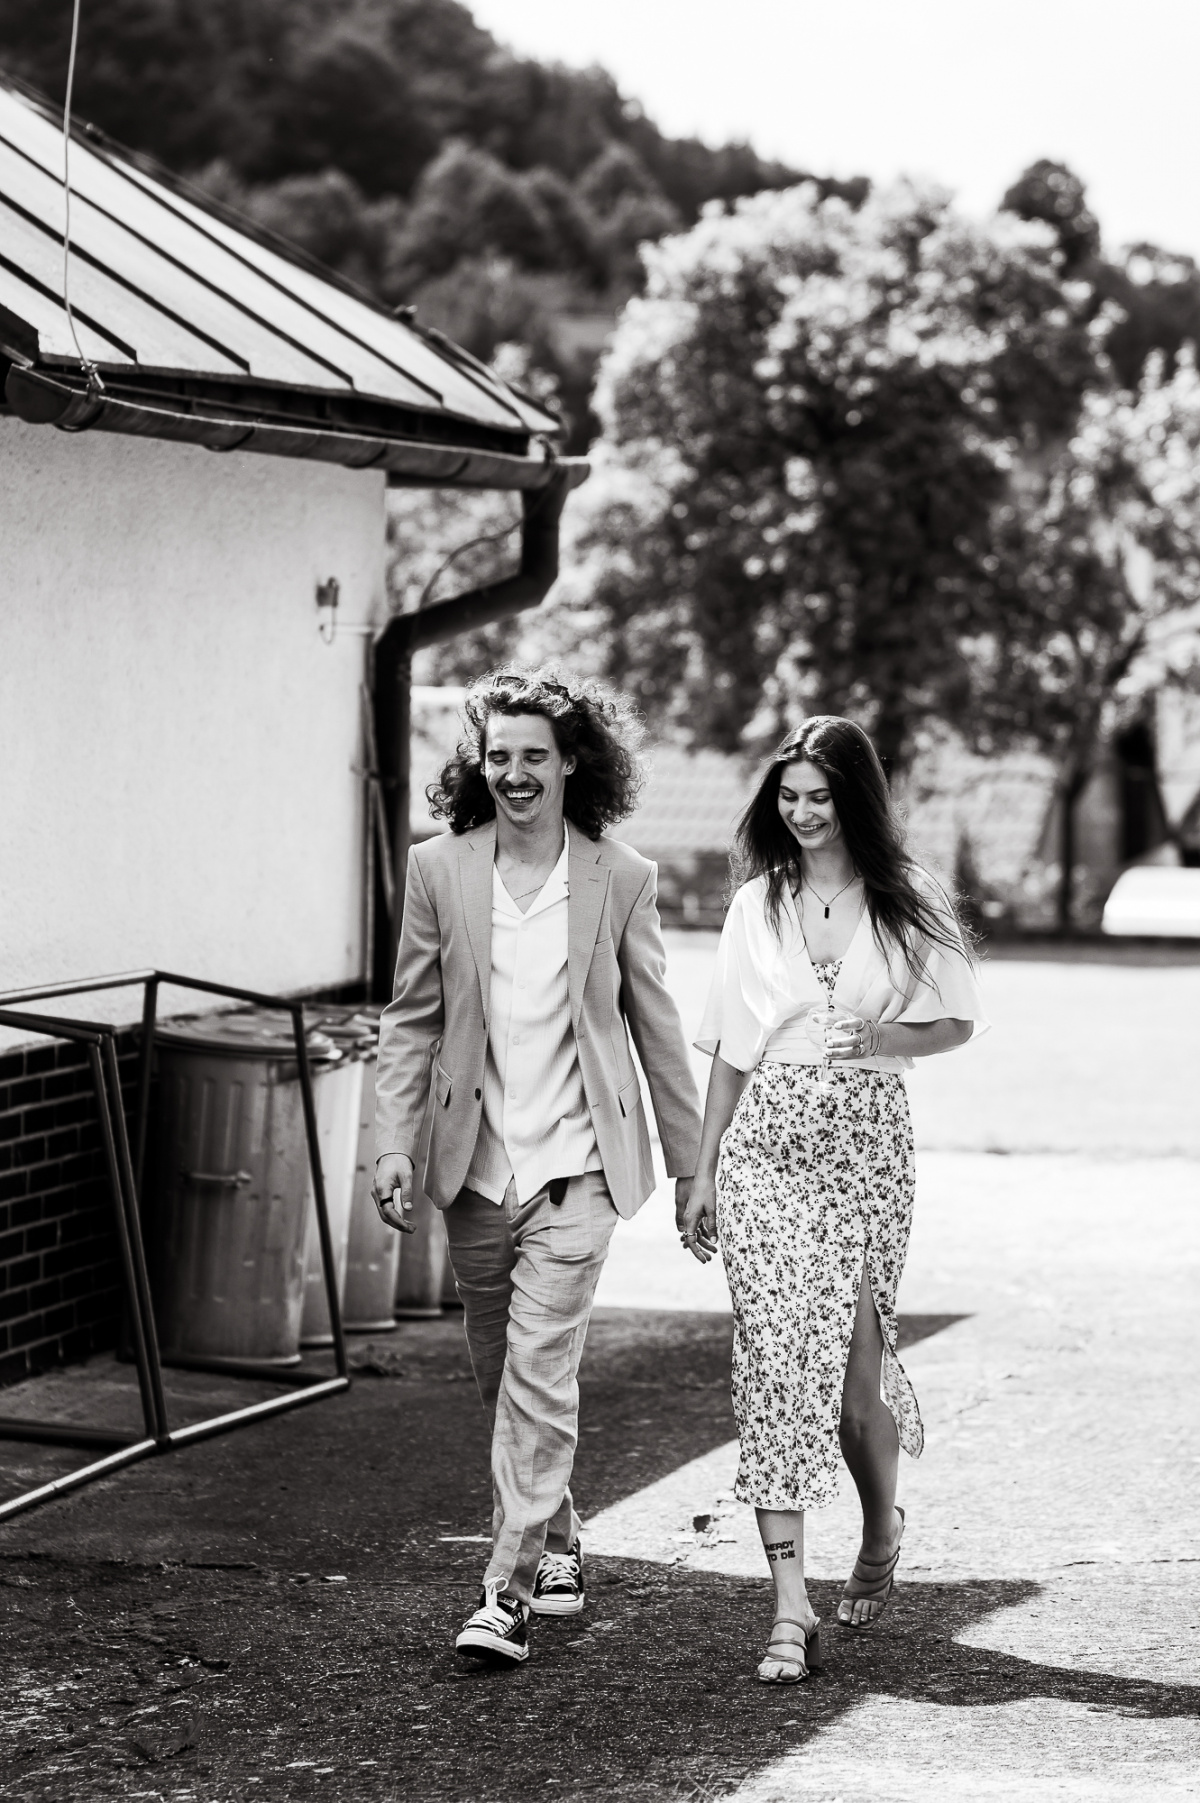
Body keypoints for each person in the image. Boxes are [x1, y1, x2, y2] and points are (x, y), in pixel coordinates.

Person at [372, 668, 701, 1667]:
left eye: (533, 756)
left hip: (578, 1169)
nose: (515, 773)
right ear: (480, 766)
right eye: (498, 756)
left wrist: (693, 1166)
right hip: (475, 1171)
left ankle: (503, 1597)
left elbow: (656, 1026)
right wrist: (393, 1141)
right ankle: (558, 1536)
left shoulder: (621, 876)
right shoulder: (439, 870)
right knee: (503, 1377)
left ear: (569, 764)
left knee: (539, 1371)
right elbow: (411, 1020)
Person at [681, 716, 988, 1685]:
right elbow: (731, 1047)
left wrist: (886, 1039)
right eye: (789, 796)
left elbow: (957, 1020)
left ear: (854, 798)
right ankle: (788, 1608)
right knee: (773, 1364)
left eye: (820, 796)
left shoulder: (909, 897)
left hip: (865, 1149)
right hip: (765, 1149)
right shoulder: (755, 904)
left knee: (856, 1383)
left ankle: (880, 1527)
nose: (803, 813)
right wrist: (701, 1168)